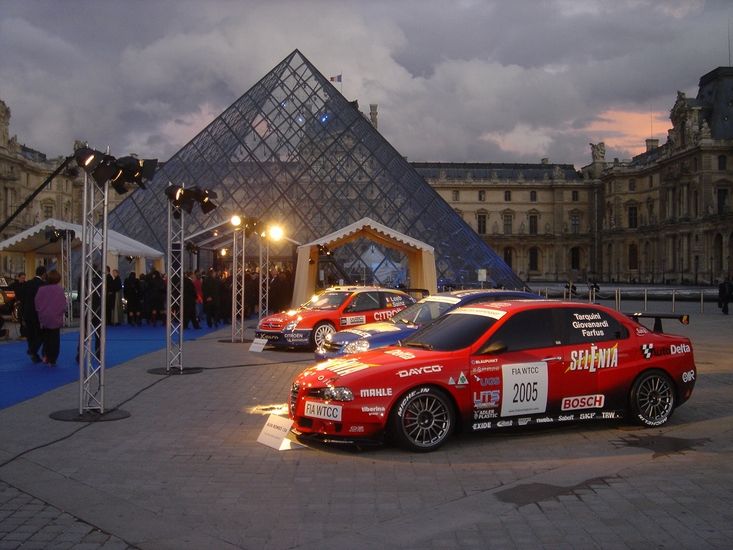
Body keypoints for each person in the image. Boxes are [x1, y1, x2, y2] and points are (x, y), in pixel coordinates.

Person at [34, 269, 66, 366]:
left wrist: (41, 312)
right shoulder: (60, 289)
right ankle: (52, 359)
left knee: (46, 338)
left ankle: (45, 355)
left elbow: (37, 303)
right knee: (55, 339)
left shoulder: (41, 289)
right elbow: (63, 304)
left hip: (44, 317)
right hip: (56, 317)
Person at [20, 265, 46, 362]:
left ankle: (34, 355)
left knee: (30, 335)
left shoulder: (27, 283)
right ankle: (33, 350)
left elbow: (22, 299)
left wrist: (22, 314)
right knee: (41, 335)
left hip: (27, 312)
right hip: (38, 314)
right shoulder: (43, 284)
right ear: (43, 274)